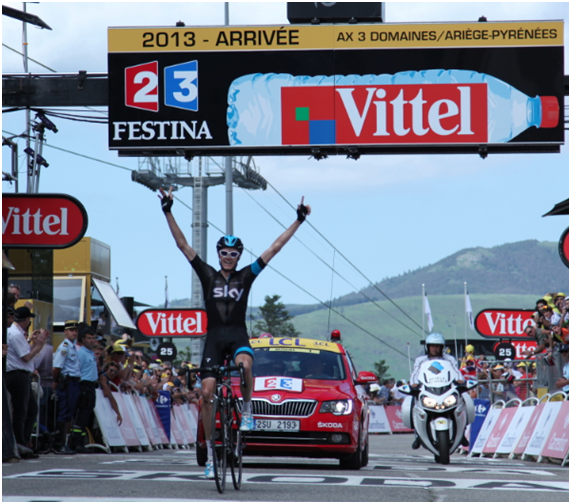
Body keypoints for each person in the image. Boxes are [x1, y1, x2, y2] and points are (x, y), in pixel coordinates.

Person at [159, 186, 310, 479]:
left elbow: (275, 248)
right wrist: (167, 210)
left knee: (245, 365)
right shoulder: (206, 273)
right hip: (214, 338)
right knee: (206, 393)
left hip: (238, 334)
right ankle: (208, 451)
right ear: (218, 254)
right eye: (224, 253)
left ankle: (248, 408)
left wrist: (298, 221)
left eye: (233, 253)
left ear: (239, 256)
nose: (228, 257)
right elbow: (181, 244)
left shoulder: (247, 275)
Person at [410, 333, 464, 449]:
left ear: (442, 347)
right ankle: (417, 435)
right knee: (411, 401)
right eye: (432, 346)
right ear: (427, 347)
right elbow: (415, 373)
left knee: (466, 400)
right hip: (427, 389)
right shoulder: (421, 360)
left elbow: (456, 371)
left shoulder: (449, 359)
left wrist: (460, 380)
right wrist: (413, 384)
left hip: (446, 389)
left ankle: (462, 432)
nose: (435, 348)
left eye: (437, 346)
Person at [5, 306, 47, 453]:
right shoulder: (15, 334)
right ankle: (20, 443)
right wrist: (39, 345)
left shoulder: (16, 333)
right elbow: (26, 356)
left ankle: (24, 441)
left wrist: (32, 342)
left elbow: (23, 352)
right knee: (22, 411)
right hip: (17, 375)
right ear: (27, 320)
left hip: (21, 374)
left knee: (29, 409)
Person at [52, 320, 82, 454]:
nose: (74, 333)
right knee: (64, 413)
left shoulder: (72, 346)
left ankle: (63, 443)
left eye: (75, 330)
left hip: (73, 382)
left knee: (69, 413)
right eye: (71, 330)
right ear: (65, 332)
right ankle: (59, 444)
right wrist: (56, 381)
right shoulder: (64, 347)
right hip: (67, 382)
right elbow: (56, 368)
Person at [71, 327, 98, 453]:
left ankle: (81, 443)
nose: (92, 341)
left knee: (86, 416)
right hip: (84, 386)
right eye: (89, 338)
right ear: (83, 339)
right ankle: (76, 443)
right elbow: (77, 370)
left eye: (93, 338)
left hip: (91, 386)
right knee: (81, 416)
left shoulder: (90, 353)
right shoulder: (81, 353)